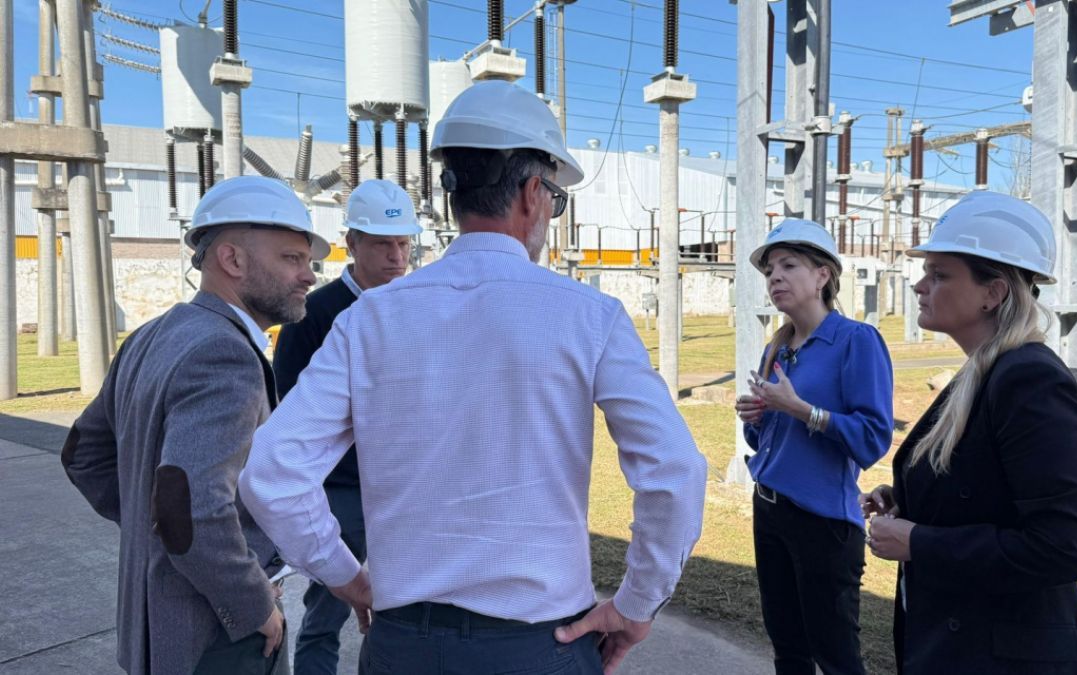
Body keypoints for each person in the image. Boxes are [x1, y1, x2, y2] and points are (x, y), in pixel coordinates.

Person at [239, 80, 708, 675]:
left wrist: (346, 576)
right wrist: (637, 604)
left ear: (454, 192)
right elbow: (675, 470)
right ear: (534, 194)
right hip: (541, 647)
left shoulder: (369, 319)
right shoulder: (589, 316)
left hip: (402, 645)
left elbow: (273, 472)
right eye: (556, 201)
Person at [60, 175, 331, 674]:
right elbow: (192, 505)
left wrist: (156, 530)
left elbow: (82, 454)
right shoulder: (224, 352)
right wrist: (253, 604)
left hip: (156, 627)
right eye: (292, 258)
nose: (309, 275)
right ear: (232, 260)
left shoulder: (150, 334)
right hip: (215, 637)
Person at [862, 191, 1077, 674]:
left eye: (940, 274)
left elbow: (1063, 546)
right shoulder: (983, 372)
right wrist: (912, 501)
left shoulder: (1031, 380)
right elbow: (986, 491)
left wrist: (919, 542)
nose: (920, 286)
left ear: (994, 292)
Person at [272, 178, 422, 675]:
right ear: (352, 243)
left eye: (403, 243)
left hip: (404, 488)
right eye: (382, 243)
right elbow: (290, 406)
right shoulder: (314, 312)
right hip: (342, 492)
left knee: (404, 610)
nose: (396, 256)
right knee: (328, 611)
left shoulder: (419, 305)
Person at [734, 218, 893, 675]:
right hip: (770, 511)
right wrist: (758, 418)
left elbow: (873, 437)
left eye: (789, 266)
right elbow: (763, 443)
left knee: (836, 656)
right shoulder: (778, 347)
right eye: (768, 272)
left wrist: (803, 410)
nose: (775, 278)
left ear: (823, 275)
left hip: (822, 523)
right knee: (787, 647)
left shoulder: (856, 341)